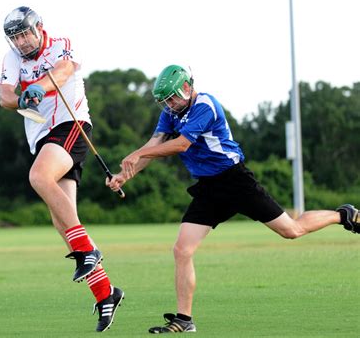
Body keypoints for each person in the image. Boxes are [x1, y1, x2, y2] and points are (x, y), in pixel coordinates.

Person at [106, 64, 359, 334]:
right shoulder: (171, 113)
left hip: (235, 181)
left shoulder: (205, 105)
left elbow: (181, 144)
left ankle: (342, 215)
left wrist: (135, 154)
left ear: (187, 88)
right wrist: (125, 174)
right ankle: (184, 320)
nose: (169, 104)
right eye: (165, 100)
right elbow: (154, 144)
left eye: (172, 97)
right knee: (182, 250)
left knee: (292, 230)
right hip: (208, 189)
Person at [0, 6, 123, 332]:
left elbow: (64, 71)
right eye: (16, 37)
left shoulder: (60, 44)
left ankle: (88, 251)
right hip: (42, 137)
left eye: (26, 33)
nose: (22, 42)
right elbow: (5, 97)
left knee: (38, 177)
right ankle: (106, 292)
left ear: (39, 28)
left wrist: (44, 86)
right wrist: (24, 97)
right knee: (62, 221)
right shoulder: (12, 59)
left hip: (71, 125)